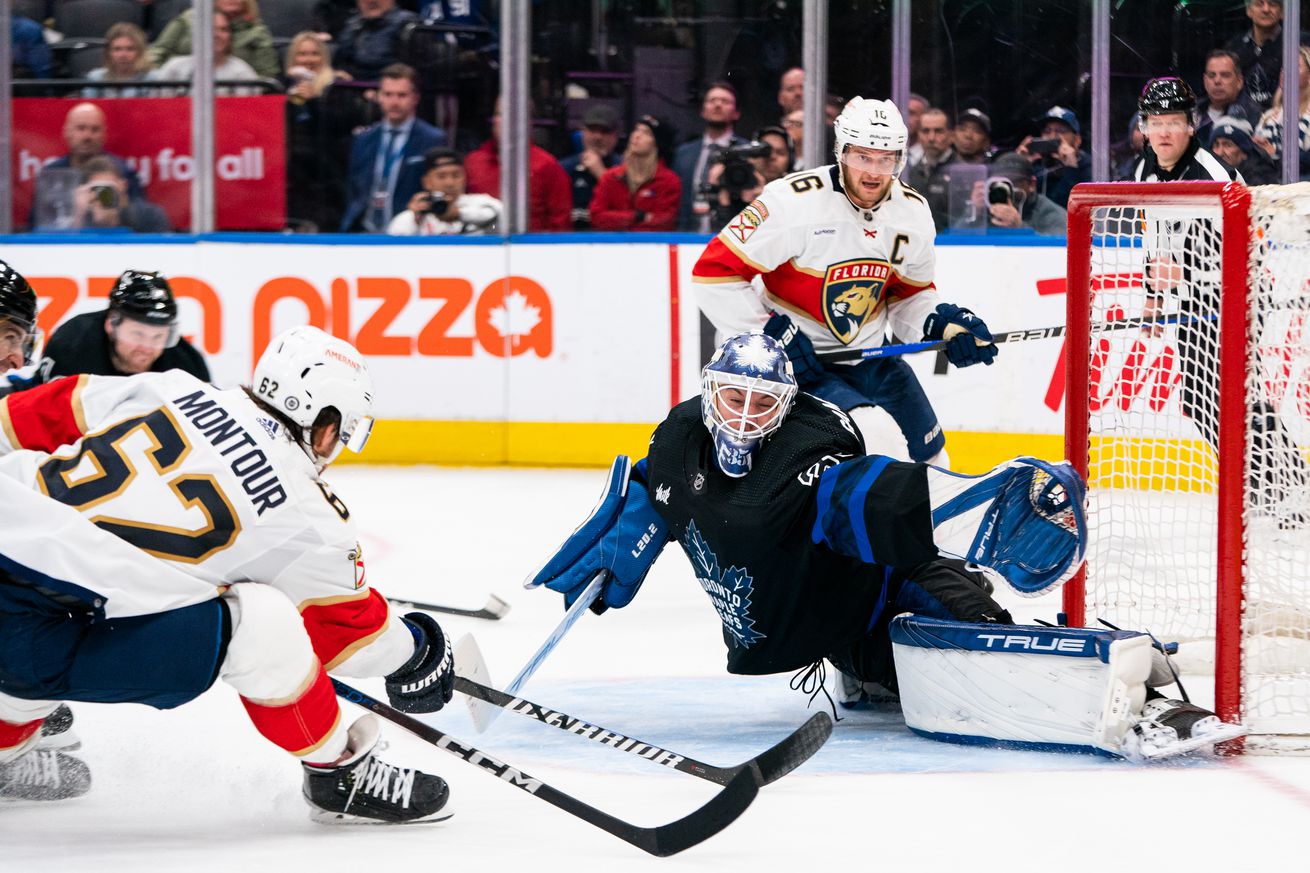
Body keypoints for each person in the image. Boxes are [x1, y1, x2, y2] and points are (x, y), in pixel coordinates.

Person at [527, 331, 1246, 761]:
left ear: (785, 409)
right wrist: (636, 528)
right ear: (709, 392)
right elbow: (658, 484)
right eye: (732, 398)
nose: (743, 417)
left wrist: (982, 503)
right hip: (837, 633)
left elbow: (871, 498)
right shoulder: (680, 434)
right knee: (908, 684)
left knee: (975, 637)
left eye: (762, 403)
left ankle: (1131, 695)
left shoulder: (811, 451)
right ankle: (873, 674)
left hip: (887, 584)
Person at [0, 291, 456, 819]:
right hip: (34, 636)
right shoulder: (305, 514)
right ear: (325, 422)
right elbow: (351, 641)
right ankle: (342, 776)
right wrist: (419, 653)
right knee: (262, 620)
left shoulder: (172, 387)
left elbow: (34, 412)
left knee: (74, 615)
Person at [692, 96, 999, 467]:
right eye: (862, 157)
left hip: (872, 356)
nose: (873, 172)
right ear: (841, 152)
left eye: (886, 159)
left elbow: (909, 295)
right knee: (875, 438)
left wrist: (939, 323)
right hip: (803, 365)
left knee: (933, 459)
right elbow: (713, 272)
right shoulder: (791, 202)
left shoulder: (913, 213)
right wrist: (772, 337)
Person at [1131, 77, 1307, 525]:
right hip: (1195, 298)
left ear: (1191, 125)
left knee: (1234, 396)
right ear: (1145, 127)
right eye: (1155, 122)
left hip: (1240, 293)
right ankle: (1273, 482)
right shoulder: (1144, 169)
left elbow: (1237, 254)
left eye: (1173, 121)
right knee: (1199, 398)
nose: (1164, 131)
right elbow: (1159, 236)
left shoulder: (1211, 174)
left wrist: (1183, 275)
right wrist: (1154, 295)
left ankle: (1288, 486)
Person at [37, 270, 209, 383]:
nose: (147, 348)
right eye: (137, 334)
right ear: (111, 324)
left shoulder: (187, 365)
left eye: (158, 337)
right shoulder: (71, 346)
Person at [340, 64, 448, 233]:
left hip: (409, 232)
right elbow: (353, 189)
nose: (394, 102)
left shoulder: (433, 140)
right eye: (388, 94)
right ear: (379, 97)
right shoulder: (363, 139)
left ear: (415, 98)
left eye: (401, 95)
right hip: (364, 231)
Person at [29, 104, 147, 231]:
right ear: (67, 132)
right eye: (81, 128)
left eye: (94, 129)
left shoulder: (123, 172)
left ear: (104, 134)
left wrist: (122, 207)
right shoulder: (52, 174)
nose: (87, 136)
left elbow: (143, 220)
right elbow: (37, 223)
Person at [463, 96, 572, 232]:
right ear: (494, 120)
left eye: (515, 115)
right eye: (501, 114)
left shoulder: (548, 166)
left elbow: (560, 222)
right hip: (480, 247)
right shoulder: (472, 162)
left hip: (531, 248)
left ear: (529, 123)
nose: (508, 121)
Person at [672, 82, 747, 231]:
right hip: (688, 237)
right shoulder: (684, 153)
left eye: (725, 101)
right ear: (703, 111)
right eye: (712, 100)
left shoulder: (745, 152)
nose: (717, 105)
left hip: (732, 237)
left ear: (736, 113)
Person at [589, 115, 681, 232]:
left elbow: (664, 222)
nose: (636, 136)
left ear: (657, 143)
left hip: (652, 246)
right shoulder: (611, 177)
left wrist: (617, 220)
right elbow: (597, 217)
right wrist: (638, 217)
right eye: (636, 130)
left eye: (646, 133)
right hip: (612, 246)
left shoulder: (668, 181)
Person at [149, 0, 279, 79]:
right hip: (182, 79)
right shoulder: (188, 19)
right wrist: (168, 76)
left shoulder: (257, 31)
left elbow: (267, 74)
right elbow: (159, 51)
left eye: (223, 30)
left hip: (237, 88)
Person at [388, 147, 502, 235]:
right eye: (441, 176)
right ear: (426, 182)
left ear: (465, 178)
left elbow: (501, 216)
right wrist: (414, 221)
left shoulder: (481, 203)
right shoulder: (412, 216)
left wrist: (458, 214)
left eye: (456, 175)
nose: (450, 183)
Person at [150, 13, 262, 97]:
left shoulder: (242, 73)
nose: (216, 35)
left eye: (223, 30)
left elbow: (246, 116)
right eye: (210, 29)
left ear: (230, 37)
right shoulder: (174, 67)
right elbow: (158, 108)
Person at [64, 157, 171, 234]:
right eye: (97, 189)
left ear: (123, 185)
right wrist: (78, 214)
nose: (103, 195)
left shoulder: (149, 215)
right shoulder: (80, 216)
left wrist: (113, 221)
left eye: (108, 188)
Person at [560, 105, 623, 230]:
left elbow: (629, 211)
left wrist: (601, 174)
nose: (597, 137)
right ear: (582, 132)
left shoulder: (626, 168)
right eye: (592, 130)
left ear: (615, 137)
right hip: (571, 241)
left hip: (614, 241)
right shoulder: (564, 168)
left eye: (604, 132)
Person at [1015, 105, 1090, 211]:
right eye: (1047, 131)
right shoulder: (1038, 167)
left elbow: (1073, 209)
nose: (1053, 136)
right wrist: (1019, 166)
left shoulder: (1088, 166)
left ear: (1077, 140)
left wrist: (1071, 167)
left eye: (1061, 131)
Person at [975, 152, 1067, 236]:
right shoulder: (988, 208)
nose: (1006, 188)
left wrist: (1020, 228)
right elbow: (962, 241)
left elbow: (1057, 248)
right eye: (1000, 182)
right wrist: (975, 213)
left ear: (1032, 184)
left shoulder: (1051, 214)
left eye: (1014, 182)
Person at [1253, 44, 1310, 176]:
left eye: (1295, 67)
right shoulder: (1268, 117)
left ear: (1309, 76)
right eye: (1284, 67)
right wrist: (1257, 148)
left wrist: (1275, 155)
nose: (1286, 72)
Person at [332, 0, 419, 83]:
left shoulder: (408, 25)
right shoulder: (352, 26)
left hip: (391, 90)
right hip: (354, 88)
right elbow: (339, 61)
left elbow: (412, 72)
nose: (371, 1)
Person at [1225, 0, 1288, 109]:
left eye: (1272, 4)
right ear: (1249, 10)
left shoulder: (1295, 43)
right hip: (1240, 118)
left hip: (1285, 118)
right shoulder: (1233, 47)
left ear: (1282, 12)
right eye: (1259, 4)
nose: (1266, 9)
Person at [1196, 50, 1263, 145]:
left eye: (1225, 75)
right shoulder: (1192, 110)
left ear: (1239, 81)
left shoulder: (1256, 116)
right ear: (1205, 81)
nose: (1217, 81)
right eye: (1212, 75)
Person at [904, 107, 954, 232]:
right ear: (918, 134)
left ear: (950, 134)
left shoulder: (962, 172)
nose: (931, 138)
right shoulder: (908, 173)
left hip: (952, 245)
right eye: (925, 131)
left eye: (938, 131)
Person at [82, 23, 155, 98]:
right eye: (117, 49)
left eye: (130, 49)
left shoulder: (152, 79)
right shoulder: (95, 78)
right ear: (108, 52)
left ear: (140, 52)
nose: (123, 55)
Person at [1210, 116, 1279, 184]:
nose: (1220, 153)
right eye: (1216, 145)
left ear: (1244, 152)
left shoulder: (1260, 179)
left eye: (1228, 145)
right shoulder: (1207, 173)